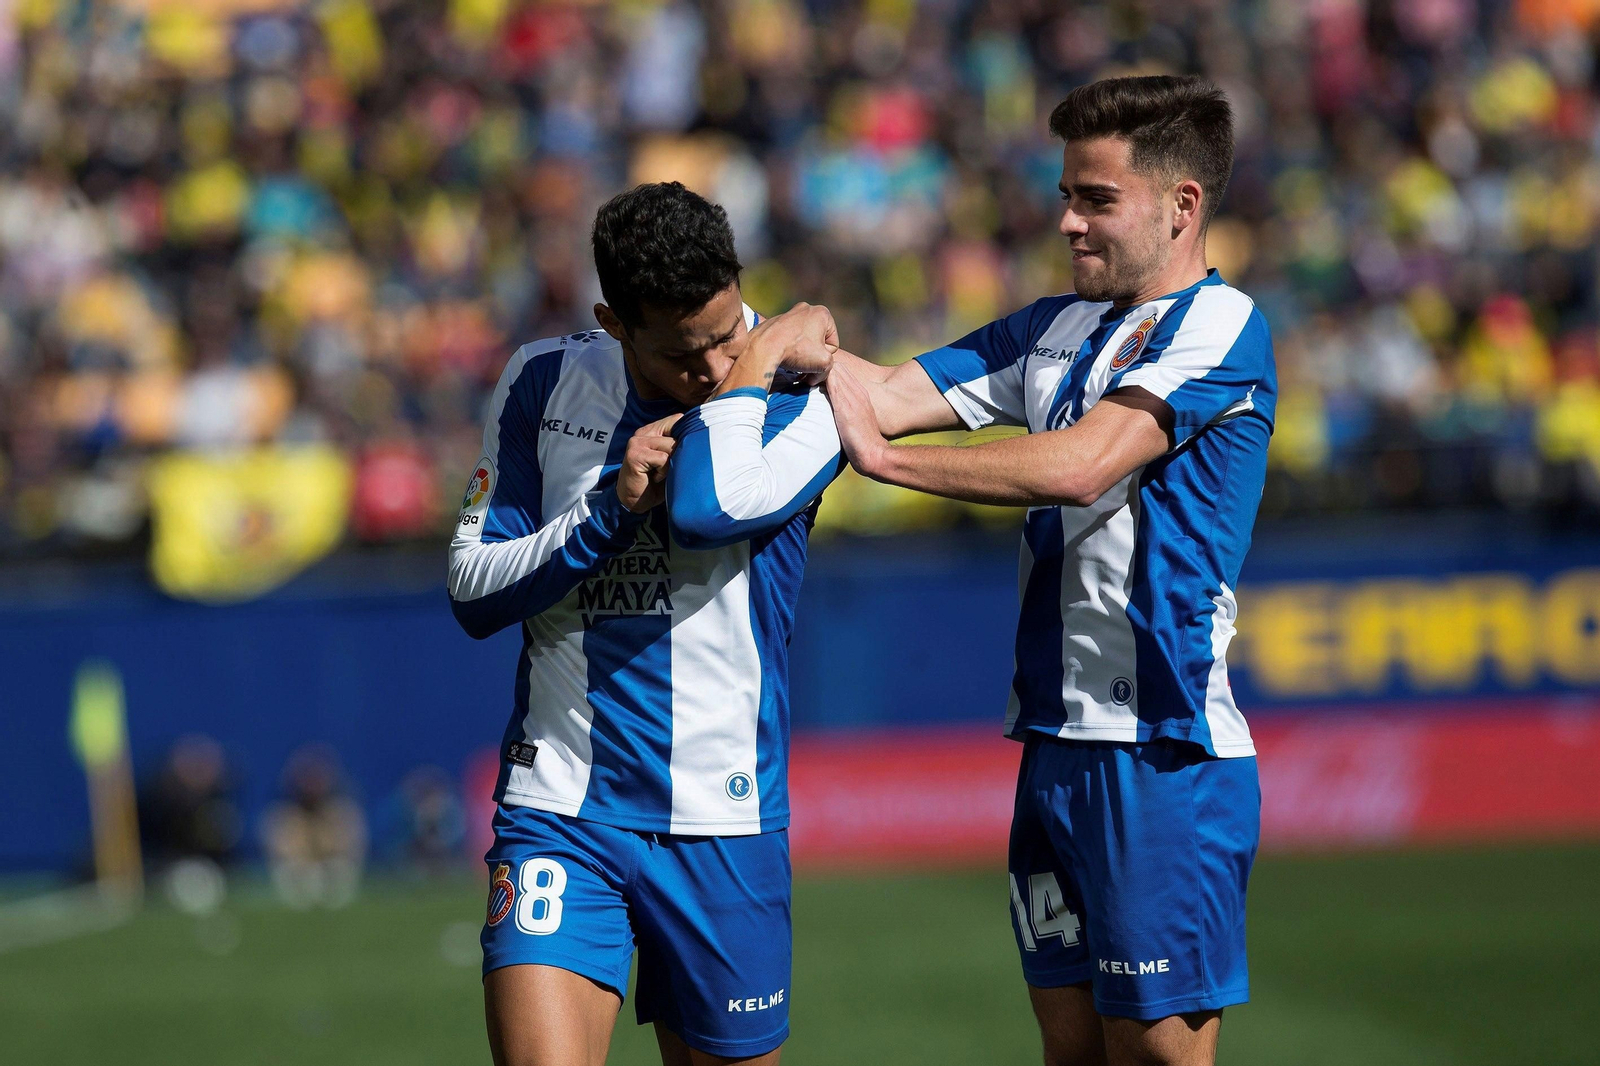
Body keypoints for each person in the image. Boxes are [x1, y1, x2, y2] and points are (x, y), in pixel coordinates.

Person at [821, 75, 1274, 1066]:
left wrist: (887, 464)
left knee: (1155, 1052)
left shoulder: (1218, 324)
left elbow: (1081, 463)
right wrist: (774, 331)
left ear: (1181, 205)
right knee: (1069, 1049)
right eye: (1067, 193)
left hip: (1160, 749)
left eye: (1097, 199)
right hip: (1055, 746)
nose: (1067, 220)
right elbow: (885, 392)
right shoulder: (1052, 326)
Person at [447, 181, 843, 1066]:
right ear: (614, 322)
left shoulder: (806, 385)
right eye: (680, 354)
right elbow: (472, 588)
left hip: (723, 819)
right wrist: (604, 512)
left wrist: (763, 353)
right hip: (561, 804)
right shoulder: (543, 380)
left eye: (727, 333)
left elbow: (704, 509)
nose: (710, 372)